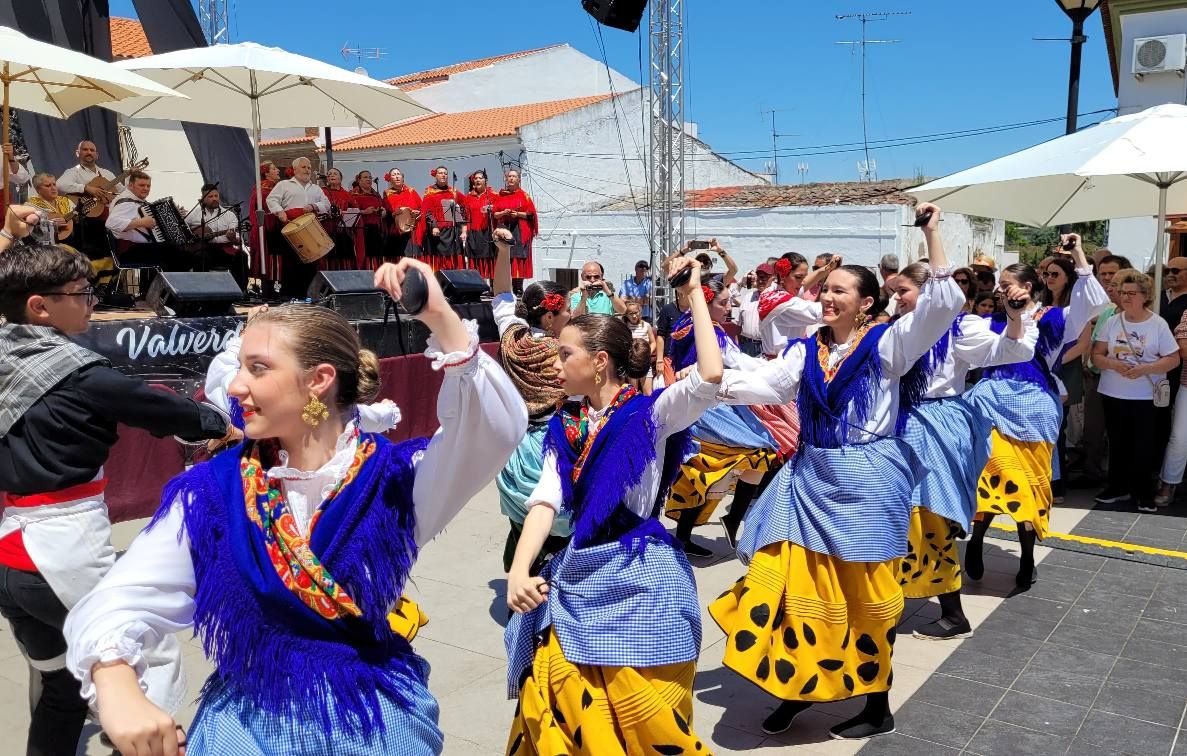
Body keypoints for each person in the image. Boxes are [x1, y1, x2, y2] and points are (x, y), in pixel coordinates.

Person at [64, 260, 529, 756]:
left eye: (257, 368)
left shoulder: (397, 480)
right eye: (241, 367)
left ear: (319, 380)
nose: (235, 386)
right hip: (249, 723)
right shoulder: (212, 492)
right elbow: (120, 597)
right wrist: (115, 680)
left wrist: (441, 317)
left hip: (369, 719)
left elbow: (493, 429)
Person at [708, 203, 964, 739]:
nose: (827, 297)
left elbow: (943, 305)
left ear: (866, 303)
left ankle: (876, 705)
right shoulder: (807, 350)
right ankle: (794, 685)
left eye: (840, 291)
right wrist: (705, 383)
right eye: (825, 289)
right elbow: (768, 385)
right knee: (790, 585)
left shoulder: (889, 344)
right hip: (810, 479)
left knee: (866, 599)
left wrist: (932, 233)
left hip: (867, 483)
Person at [0, 242, 236, 756]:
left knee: (61, 688)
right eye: (80, 293)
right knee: (147, 658)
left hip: (11, 557)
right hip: (62, 551)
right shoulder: (79, 376)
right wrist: (222, 424)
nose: (91, 301)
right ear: (39, 306)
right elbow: (163, 410)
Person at [504, 255, 722, 754]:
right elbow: (545, 501)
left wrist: (693, 293)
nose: (554, 364)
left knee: (644, 713)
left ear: (599, 361)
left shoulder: (652, 414)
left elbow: (709, 376)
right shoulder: (566, 424)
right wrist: (519, 568)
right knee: (559, 691)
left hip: (639, 571)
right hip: (580, 568)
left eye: (564, 355)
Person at [889, 262, 1036, 640]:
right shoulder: (895, 326)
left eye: (903, 291)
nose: (896, 298)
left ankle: (953, 614)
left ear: (929, 294)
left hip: (934, 423)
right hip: (900, 423)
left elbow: (1010, 350)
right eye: (894, 291)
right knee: (899, 516)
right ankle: (891, 598)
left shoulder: (960, 327)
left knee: (928, 516)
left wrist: (1015, 317)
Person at [964, 234, 1108, 588]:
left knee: (1029, 484)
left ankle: (1027, 556)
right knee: (989, 477)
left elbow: (1093, 302)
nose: (999, 291)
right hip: (992, 405)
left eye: (1005, 285)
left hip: (1034, 408)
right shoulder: (992, 321)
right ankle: (977, 539)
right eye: (999, 286)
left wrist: (1078, 254)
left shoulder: (1055, 318)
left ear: (1027, 287)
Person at [665, 275, 777, 557]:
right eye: (723, 303)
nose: (729, 308)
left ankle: (698, 530)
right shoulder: (711, 333)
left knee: (703, 473)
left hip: (696, 405)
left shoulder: (684, 324)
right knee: (760, 451)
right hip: (709, 409)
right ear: (707, 303)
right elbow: (738, 362)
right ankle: (731, 518)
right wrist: (780, 370)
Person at [491, 229, 573, 575]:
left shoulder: (511, 337)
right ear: (550, 317)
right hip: (549, 444)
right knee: (555, 518)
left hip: (514, 447)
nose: (570, 316)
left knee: (521, 517)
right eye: (566, 311)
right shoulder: (563, 354)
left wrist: (503, 251)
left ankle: (521, 575)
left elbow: (501, 296)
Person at [1092, 270, 1179, 512]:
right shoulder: (1112, 322)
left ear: (1145, 296)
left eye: (1131, 293)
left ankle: (1143, 492)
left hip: (1145, 396)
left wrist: (1146, 369)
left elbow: (1173, 359)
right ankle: (1117, 487)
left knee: (1143, 444)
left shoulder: (1157, 324)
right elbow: (1096, 355)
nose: (1125, 297)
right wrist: (1112, 364)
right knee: (1117, 442)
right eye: (1123, 292)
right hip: (1113, 393)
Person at [1077, 254, 1134, 487]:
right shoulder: (1106, 310)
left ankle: (1118, 479)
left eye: (1113, 274)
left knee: (1119, 432)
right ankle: (1092, 473)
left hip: (1121, 380)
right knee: (1092, 429)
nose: (1108, 279)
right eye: (1103, 274)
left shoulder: (1135, 314)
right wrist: (1087, 363)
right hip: (1095, 377)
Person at [266, 157, 331, 298]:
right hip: (291, 228)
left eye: (309, 167)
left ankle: (310, 296)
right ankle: (290, 296)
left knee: (312, 263)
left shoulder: (316, 188)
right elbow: (271, 199)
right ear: (295, 169)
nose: (307, 170)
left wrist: (314, 206)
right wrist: (280, 211)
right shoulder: (284, 185)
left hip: (311, 230)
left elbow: (327, 204)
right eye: (304, 167)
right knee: (291, 263)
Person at [105, 170, 189, 273]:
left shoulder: (138, 201)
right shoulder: (125, 202)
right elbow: (110, 223)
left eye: (148, 186)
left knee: (180, 250)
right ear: (131, 185)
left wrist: (176, 213)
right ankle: (172, 282)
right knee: (173, 250)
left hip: (141, 248)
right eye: (141, 185)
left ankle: (165, 281)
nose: (146, 188)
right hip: (130, 251)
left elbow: (154, 221)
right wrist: (141, 222)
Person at [185, 182, 248, 289]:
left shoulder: (229, 215)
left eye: (216, 196)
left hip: (225, 250)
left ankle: (240, 291)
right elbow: (184, 228)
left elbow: (238, 241)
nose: (214, 199)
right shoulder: (195, 214)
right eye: (210, 196)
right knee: (200, 257)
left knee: (242, 256)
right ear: (203, 198)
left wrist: (233, 238)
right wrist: (191, 236)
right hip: (205, 249)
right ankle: (200, 289)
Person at [416, 166, 467, 270]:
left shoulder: (453, 192)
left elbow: (465, 204)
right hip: (437, 232)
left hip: (453, 232)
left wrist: (462, 226)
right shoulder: (430, 193)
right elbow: (427, 212)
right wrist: (434, 226)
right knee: (439, 262)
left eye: (445, 173)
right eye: (440, 173)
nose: (443, 175)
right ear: (435, 176)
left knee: (454, 260)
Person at [491, 168, 538, 280]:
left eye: (514, 176)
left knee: (517, 257)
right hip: (503, 230)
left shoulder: (524, 196)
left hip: (518, 230)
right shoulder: (500, 196)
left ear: (519, 180)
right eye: (509, 176)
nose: (511, 178)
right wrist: (503, 212)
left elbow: (531, 215)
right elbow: (494, 214)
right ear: (506, 179)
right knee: (504, 258)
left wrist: (517, 214)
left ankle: (518, 286)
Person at [249, 161, 283, 295]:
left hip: (275, 228)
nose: (278, 170)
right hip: (268, 229)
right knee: (268, 258)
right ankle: (265, 288)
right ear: (266, 173)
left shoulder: (275, 188)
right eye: (274, 169)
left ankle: (274, 287)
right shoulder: (262, 191)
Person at [462, 170, 498, 278]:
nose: (478, 180)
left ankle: (492, 285)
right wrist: (464, 232)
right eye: (476, 178)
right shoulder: (468, 197)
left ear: (485, 180)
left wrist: (493, 208)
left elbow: (499, 212)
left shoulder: (493, 195)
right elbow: (465, 218)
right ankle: (477, 284)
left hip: (488, 232)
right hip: (473, 233)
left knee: (490, 261)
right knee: (475, 261)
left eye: (480, 178)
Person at [381, 168, 420, 261]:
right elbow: (385, 215)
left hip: (412, 232)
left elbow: (421, 208)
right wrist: (393, 214)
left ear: (402, 178)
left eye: (398, 174)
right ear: (390, 180)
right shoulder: (387, 194)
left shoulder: (411, 191)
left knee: (412, 259)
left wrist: (417, 213)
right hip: (396, 233)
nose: (397, 176)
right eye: (394, 175)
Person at [349, 170, 385, 266]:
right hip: (361, 230)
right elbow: (349, 212)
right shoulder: (353, 194)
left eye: (370, 177)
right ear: (359, 180)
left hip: (376, 230)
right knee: (365, 255)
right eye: (365, 177)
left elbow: (383, 210)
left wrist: (382, 211)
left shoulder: (376, 195)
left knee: (377, 255)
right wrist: (364, 212)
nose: (368, 179)